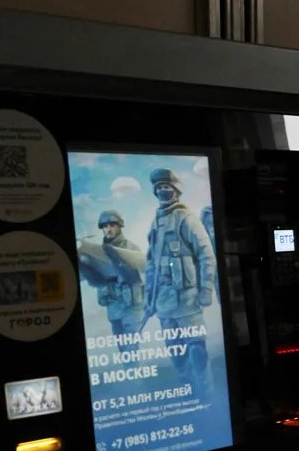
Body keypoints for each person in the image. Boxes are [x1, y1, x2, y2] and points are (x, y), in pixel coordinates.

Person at [143, 168, 218, 396]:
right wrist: (148, 298)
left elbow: (207, 255)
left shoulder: (186, 218)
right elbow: (151, 265)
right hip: (164, 302)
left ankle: (206, 394)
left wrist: (205, 290)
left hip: (188, 300)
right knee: (176, 353)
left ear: (176, 190)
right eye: (159, 188)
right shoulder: (155, 223)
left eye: (166, 186)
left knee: (197, 349)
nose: (162, 191)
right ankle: (188, 391)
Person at [92, 210, 145, 339]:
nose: (108, 229)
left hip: (131, 308)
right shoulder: (100, 252)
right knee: (122, 346)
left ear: (119, 226)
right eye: (105, 226)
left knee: (131, 345)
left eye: (112, 225)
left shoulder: (131, 249)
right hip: (113, 308)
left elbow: (143, 276)